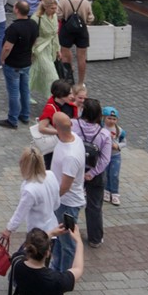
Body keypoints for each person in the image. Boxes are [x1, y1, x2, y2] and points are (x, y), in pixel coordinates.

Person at [13, 226, 81, 295]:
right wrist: (78, 241)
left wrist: (51, 234)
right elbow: (78, 268)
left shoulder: (17, 264)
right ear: (48, 253)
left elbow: (22, 252)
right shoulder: (55, 280)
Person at [0, 148, 60, 253]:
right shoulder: (51, 175)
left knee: (23, 261)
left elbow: (20, 213)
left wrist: (9, 229)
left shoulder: (30, 189)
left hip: (36, 236)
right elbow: (56, 204)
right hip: (52, 228)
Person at [47, 112, 86, 273]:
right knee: (60, 239)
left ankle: (64, 275)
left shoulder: (70, 156)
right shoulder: (74, 138)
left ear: (56, 127)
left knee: (67, 244)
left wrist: (52, 201)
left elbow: (65, 186)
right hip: (64, 202)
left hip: (66, 203)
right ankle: (56, 267)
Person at [75, 98, 113, 246]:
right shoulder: (104, 134)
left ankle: (66, 232)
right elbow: (105, 159)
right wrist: (92, 173)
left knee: (70, 202)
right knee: (95, 206)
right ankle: (95, 239)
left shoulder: (74, 126)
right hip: (95, 174)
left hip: (76, 170)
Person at [55, 0, 93, 83]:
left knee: (65, 54)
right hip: (82, 30)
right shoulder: (85, 2)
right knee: (82, 57)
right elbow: (90, 18)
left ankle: (67, 80)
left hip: (66, 29)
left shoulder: (63, 1)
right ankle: (81, 82)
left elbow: (58, 15)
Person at [29, 0, 59, 102]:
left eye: (56, 8)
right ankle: (53, 98)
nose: (54, 10)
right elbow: (31, 36)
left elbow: (55, 34)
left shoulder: (54, 16)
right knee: (52, 74)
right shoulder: (36, 18)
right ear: (45, 7)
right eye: (52, 8)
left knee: (33, 71)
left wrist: (58, 49)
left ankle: (25, 92)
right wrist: (30, 50)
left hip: (50, 47)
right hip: (39, 49)